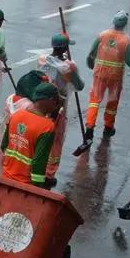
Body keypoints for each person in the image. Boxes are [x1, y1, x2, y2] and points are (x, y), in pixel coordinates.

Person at [0, 70, 50, 201]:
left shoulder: (10, 99)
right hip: (19, 147)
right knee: (14, 176)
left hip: (5, 144)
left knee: (1, 171)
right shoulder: (28, 106)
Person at [85, 10, 130, 139]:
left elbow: (91, 54)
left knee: (94, 101)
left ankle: (89, 127)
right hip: (115, 77)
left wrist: (90, 65)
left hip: (99, 74)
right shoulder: (126, 41)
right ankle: (108, 126)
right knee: (112, 102)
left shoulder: (103, 35)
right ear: (125, 24)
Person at [37, 35, 85, 186]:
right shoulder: (68, 67)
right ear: (64, 48)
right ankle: (49, 174)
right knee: (55, 139)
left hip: (40, 102)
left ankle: (34, 167)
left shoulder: (42, 60)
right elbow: (80, 85)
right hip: (58, 105)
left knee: (39, 134)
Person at [0, 82, 62, 187]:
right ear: (48, 100)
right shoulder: (47, 127)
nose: (57, 104)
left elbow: (4, 146)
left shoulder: (16, 115)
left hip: (6, 177)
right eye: (55, 100)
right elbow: (38, 163)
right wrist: (38, 188)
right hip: (26, 184)